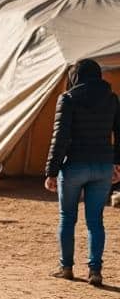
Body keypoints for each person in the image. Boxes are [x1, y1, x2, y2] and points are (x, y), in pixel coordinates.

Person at [44, 59, 120, 287]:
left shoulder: (67, 99)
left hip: (75, 165)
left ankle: (66, 267)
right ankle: (95, 271)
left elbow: (60, 138)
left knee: (68, 218)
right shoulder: (112, 99)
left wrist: (51, 170)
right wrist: (117, 163)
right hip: (102, 167)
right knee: (95, 221)